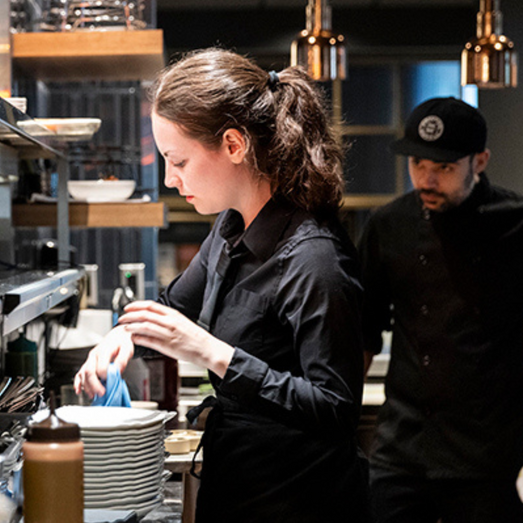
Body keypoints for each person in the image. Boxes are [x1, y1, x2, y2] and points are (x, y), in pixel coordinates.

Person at [74, 48, 370, 522]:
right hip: (238, 483)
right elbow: (173, 307)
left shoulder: (313, 256)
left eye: (179, 161)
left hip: (300, 500)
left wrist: (214, 354)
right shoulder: (230, 228)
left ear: (234, 145)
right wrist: (122, 336)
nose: (171, 179)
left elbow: (335, 409)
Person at [358, 97, 523, 522]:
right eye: (417, 164)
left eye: (444, 168)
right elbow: (362, 332)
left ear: (479, 161)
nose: (426, 179)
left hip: (489, 458)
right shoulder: (386, 225)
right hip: (402, 453)